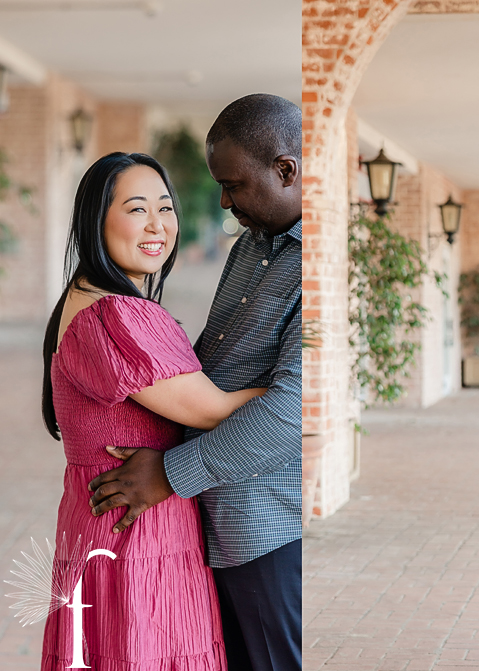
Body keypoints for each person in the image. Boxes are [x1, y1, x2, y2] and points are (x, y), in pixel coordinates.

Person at [87, 94, 303, 670]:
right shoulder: (253, 245)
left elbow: (292, 414)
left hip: (265, 529)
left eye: (233, 185)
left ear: (286, 170)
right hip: (207, 522)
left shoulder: (317, 265)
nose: (226, 201)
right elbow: (215, 362)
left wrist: (170, 472)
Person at [41, 152, 267, 669]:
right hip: (134, 537)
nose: (157, 225)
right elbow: (213, 411)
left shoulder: (87, 299)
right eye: (136, 209)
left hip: (110, 525)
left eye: (165, 209)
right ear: (95, 220)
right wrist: (292, 391)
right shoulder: (111, 313)